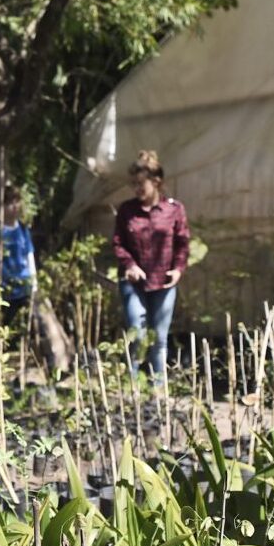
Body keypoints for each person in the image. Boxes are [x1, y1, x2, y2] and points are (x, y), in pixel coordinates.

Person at [112, 150, 189, 380]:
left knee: (159, 338)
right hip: (134, 282)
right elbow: (118, 243)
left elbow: (182, 243)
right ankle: (133, 386)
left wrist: (178, 269)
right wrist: (130, 265)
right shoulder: (126, 210)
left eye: (141, 184)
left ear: (156, 182)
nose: (137, 189)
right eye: (133, 184)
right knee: (137, 332)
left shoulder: (174, 210)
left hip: (163, 282)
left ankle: (159, 389)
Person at [0, 186, 37, 330]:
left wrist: (33, 281)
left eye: (17, 201)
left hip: (23, 291)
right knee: (2, 331)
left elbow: (29, 254)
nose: (15, 206)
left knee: (25, 329)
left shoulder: (23, 229)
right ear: (1, 206)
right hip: (3, 294)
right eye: (10, 202)